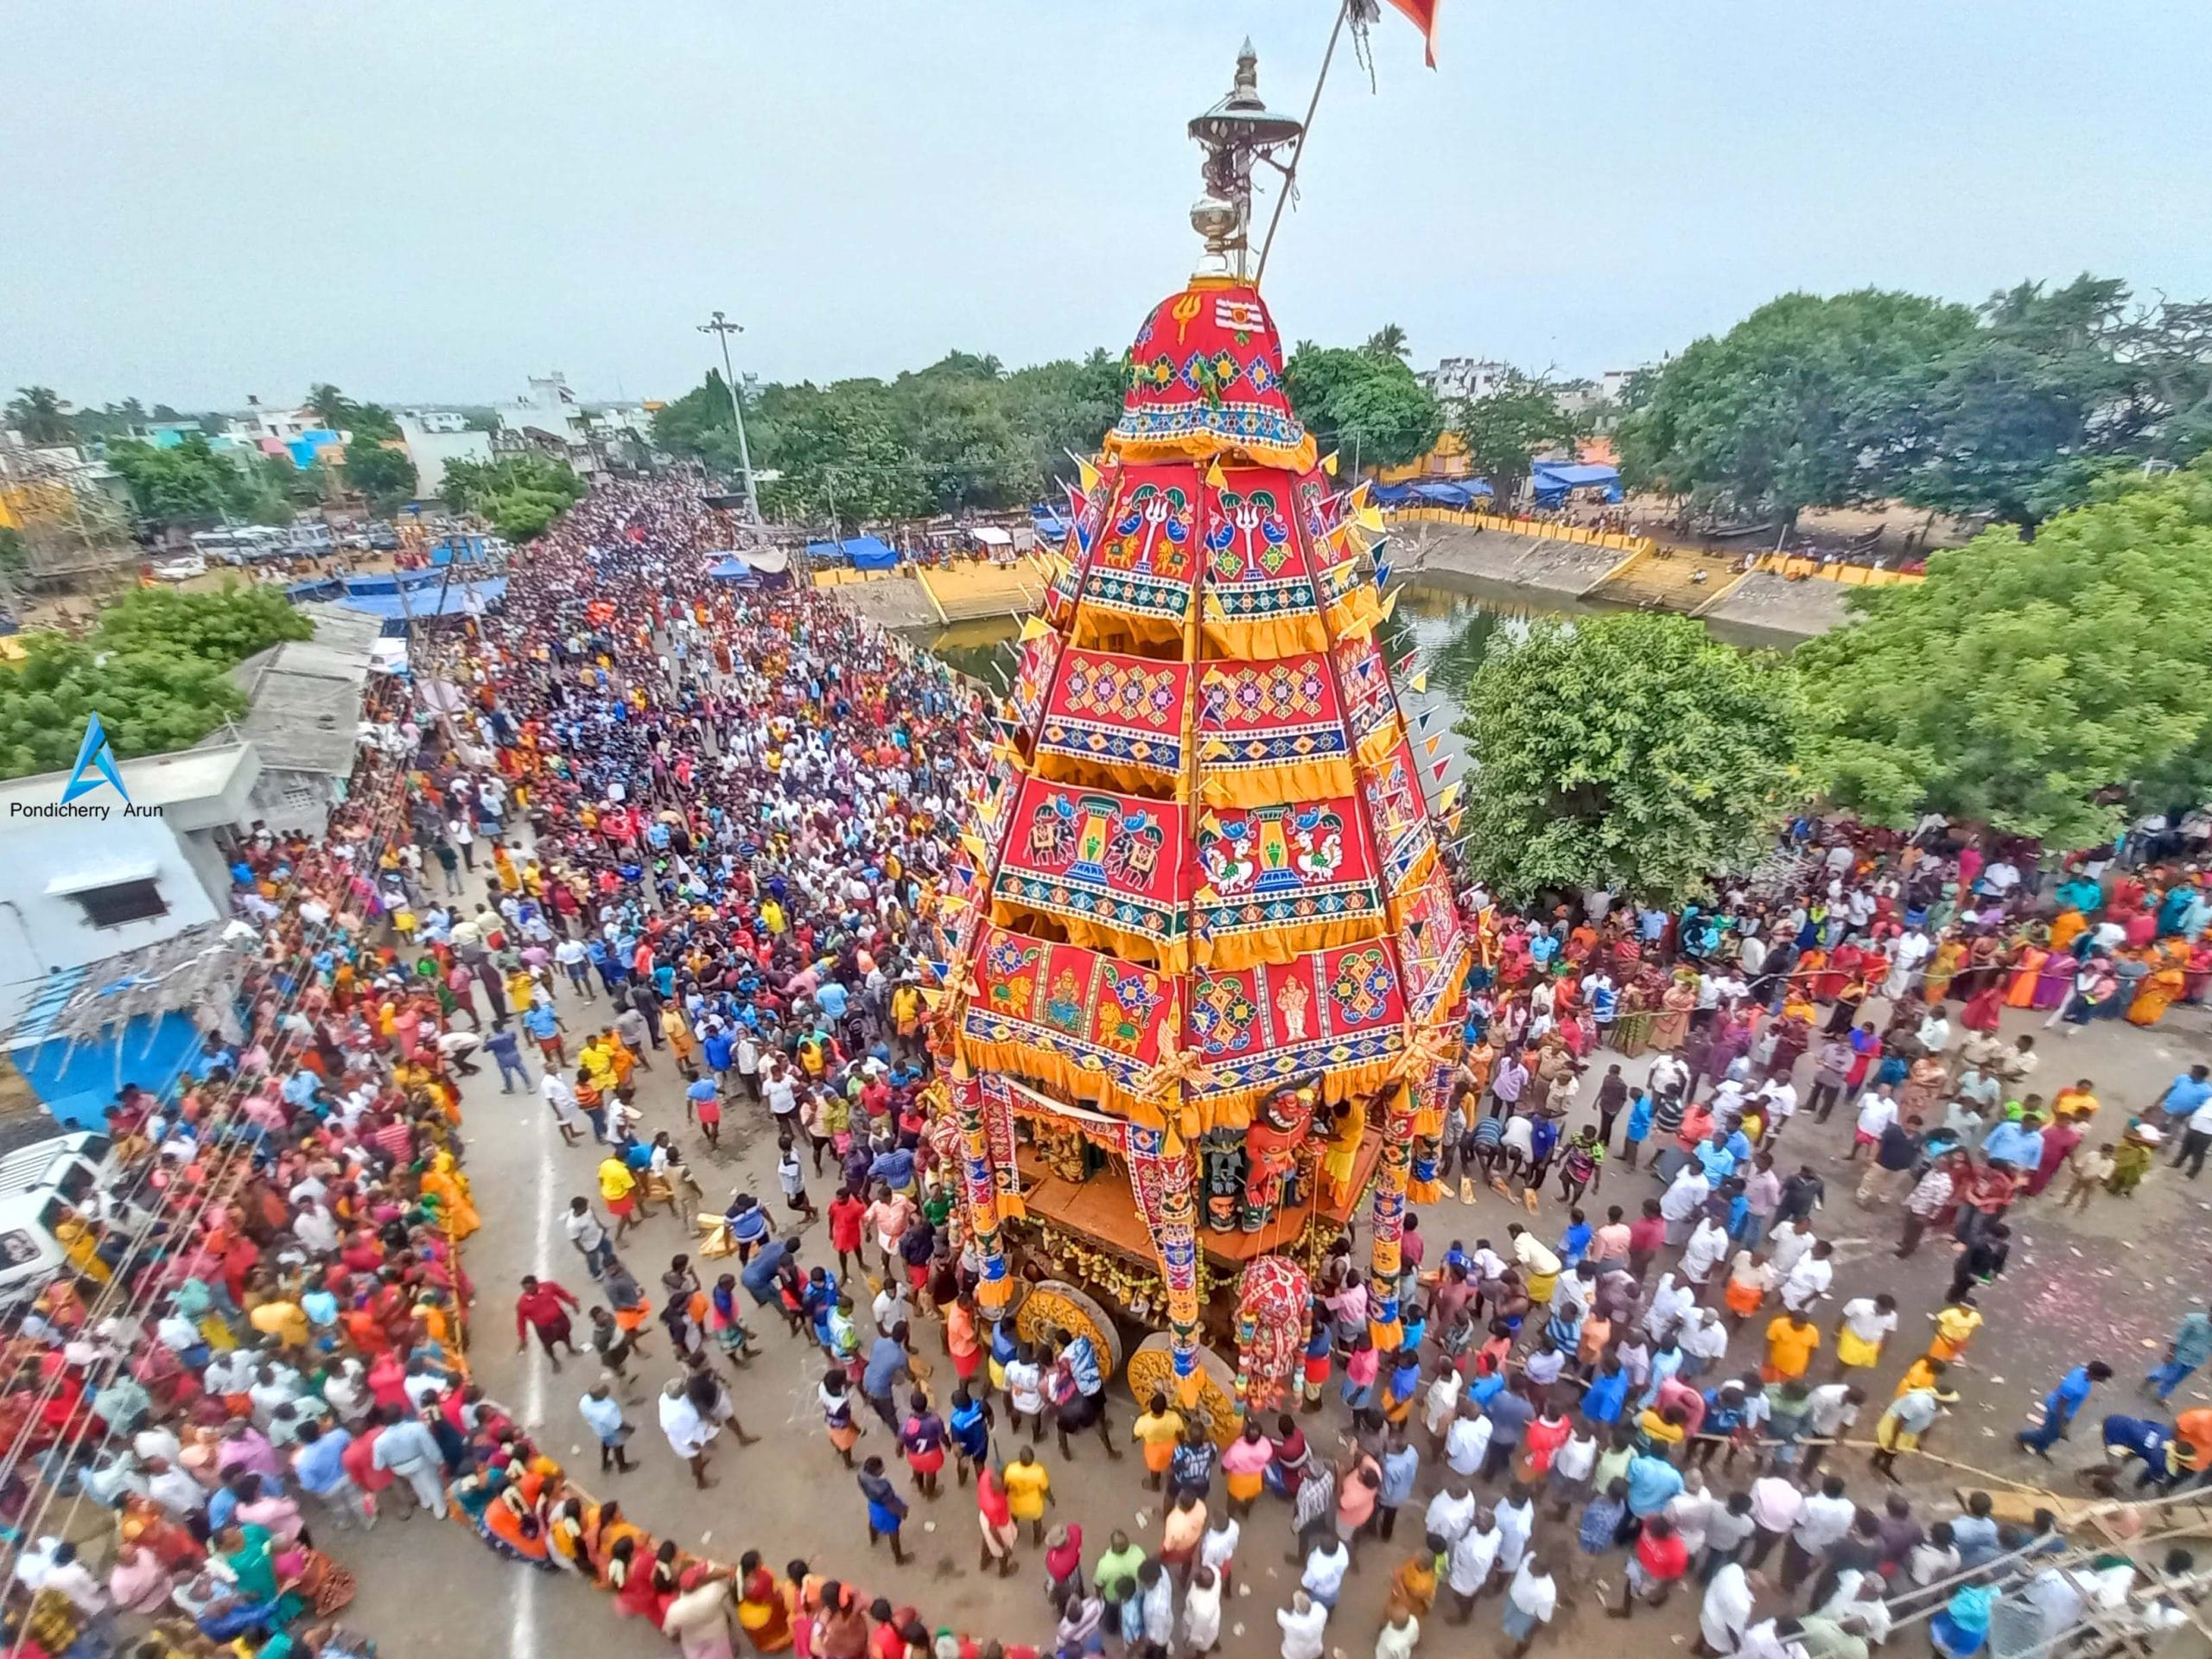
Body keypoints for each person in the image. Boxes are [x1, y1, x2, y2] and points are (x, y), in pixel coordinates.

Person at [2016, 1361, 2113, 1457]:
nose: (2104, 1380)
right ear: (2095, 1375)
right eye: (2103, 1377)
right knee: (2048, 1434)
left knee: (2054, 1434)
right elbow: (2061, 1404)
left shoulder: (2080, 1371)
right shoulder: (2073, 1387)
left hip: (2067, 1411)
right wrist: (2061, 1423)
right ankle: (2022, 1437)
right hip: (2057, 1412)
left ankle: (2039, 1447)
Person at [2146, 1306, 2212, 1402]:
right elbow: (2178, 1336)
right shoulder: (2194, 1320)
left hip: (2196, 1360)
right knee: (2166, 1373)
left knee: (2176, 1379)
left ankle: (2162, 1396)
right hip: (2180, 1354)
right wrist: (2170, 1353)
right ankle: (2149, 1380)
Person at [857, 1455, 909, 1565]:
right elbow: (891, 1503)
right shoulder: (883, 1487)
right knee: (893, 1531)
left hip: (873, 1504)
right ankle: (899, 1558)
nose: (884, 1468)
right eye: (881, 1467)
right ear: (877, 1471)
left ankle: (874, 1539)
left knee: (873, 1520)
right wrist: (902, 1510)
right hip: (885, 1509)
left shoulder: (862, 1475)